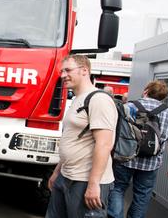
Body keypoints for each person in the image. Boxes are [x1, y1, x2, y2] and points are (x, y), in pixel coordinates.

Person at [46, 55, 117, 218]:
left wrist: (93, 184)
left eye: (68, 70)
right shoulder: (79, 99)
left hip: (84, 181)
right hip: (66, 176)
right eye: (62, 71)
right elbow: (73, 139)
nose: (63, 75)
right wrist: (58, 172)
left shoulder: (99, 99)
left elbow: (104, 144)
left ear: (84, 71)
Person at [108, 80, 168, 218]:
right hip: (151, 163)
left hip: (125, 158)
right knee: (142, 195)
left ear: (146, 91)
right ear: (163, 96)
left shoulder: (128, 106)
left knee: (118, 189)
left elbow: (116, 132)